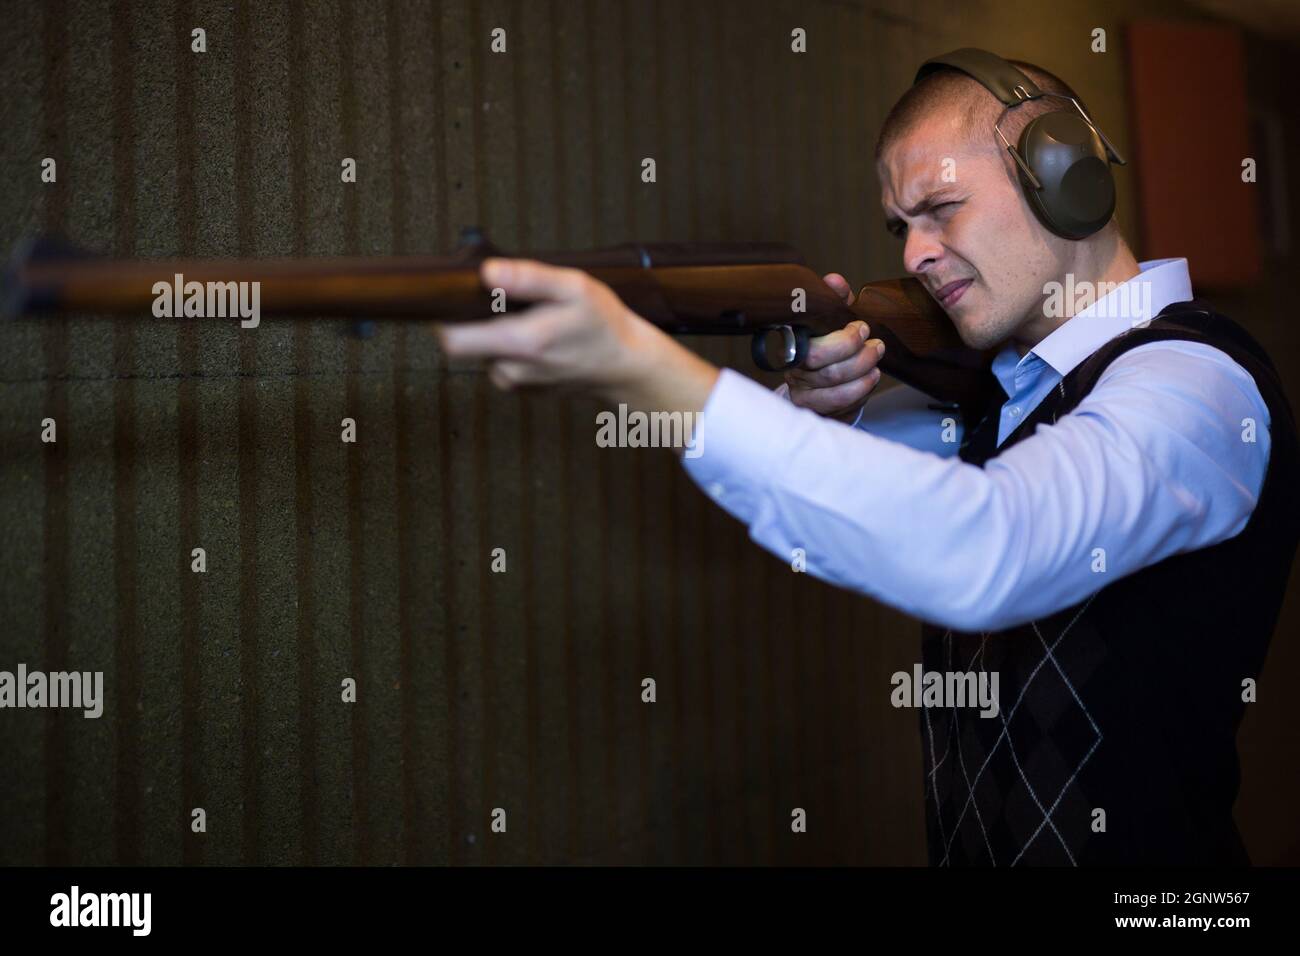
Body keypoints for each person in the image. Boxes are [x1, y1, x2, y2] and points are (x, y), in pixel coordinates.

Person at [437, 49, 1300, 865]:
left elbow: (991, 546)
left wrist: (649, 371)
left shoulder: (1194, 385)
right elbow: (832, 514)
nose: (913, 255)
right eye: (900, 226)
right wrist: (824, 413)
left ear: (1064, 173)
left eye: (941, 208)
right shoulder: (992, 393)